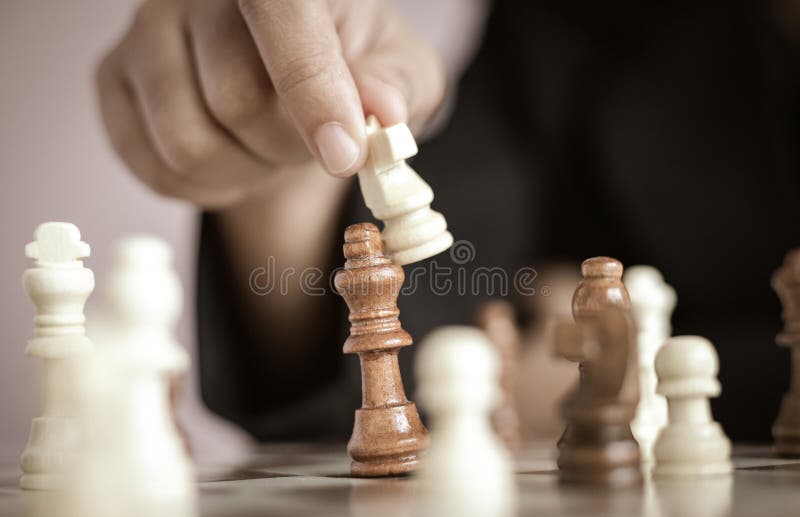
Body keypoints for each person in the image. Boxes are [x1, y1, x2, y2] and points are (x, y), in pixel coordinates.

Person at [98, 0, 800, 442]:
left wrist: (608, 382)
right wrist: (282, 134)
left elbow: (539, 375)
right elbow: (438, 324)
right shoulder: (576, 21)